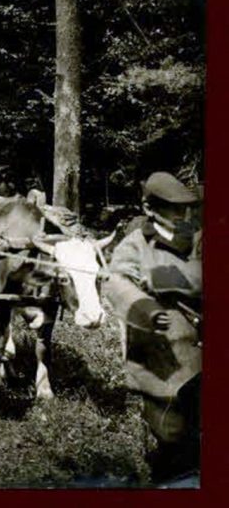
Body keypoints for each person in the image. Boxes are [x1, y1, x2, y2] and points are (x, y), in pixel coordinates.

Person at [104, 171, 202, 482]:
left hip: (198, 353)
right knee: (170, 433)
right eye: (173, 209)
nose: (182, 215)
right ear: (150, 209)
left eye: (185, 208)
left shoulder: (195, 235)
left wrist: (167, 277)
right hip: (160, 360)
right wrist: (146, 307)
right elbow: (116, 283)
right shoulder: (134, 245)